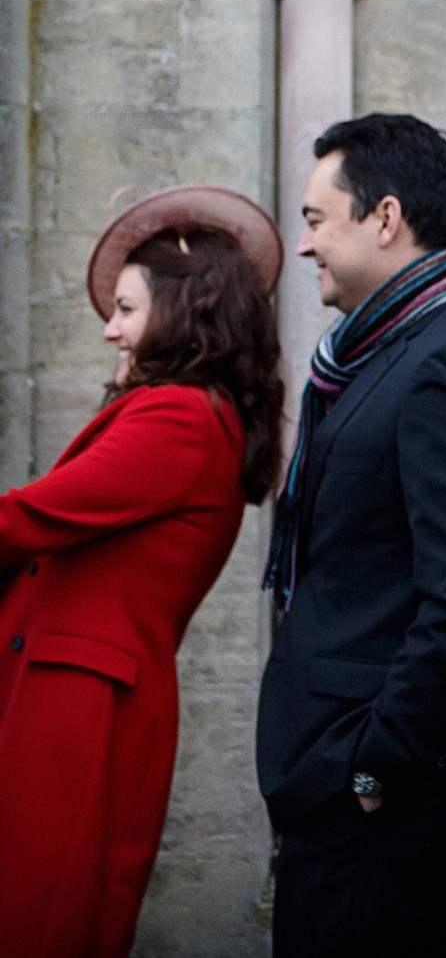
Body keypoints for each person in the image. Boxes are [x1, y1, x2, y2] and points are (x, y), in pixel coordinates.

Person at [256, 114, 446, 958]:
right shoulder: (383, 349)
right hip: (338, 769)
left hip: (381, 789)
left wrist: (379, 766)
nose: (303, 247)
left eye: (315, 220)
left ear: (384, 218)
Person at [0, 185, 284, 958]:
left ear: (184, 309)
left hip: (82, 708)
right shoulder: (187, 411)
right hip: (69, 697)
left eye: (125, 309)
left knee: (44, 919)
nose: (108, 330)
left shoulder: (182, 417)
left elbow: (28, 519)